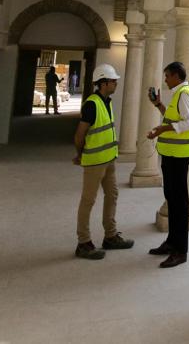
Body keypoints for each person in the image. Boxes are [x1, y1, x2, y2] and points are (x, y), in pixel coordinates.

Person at [72, 64, 134, 259]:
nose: (116, 84)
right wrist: (80, 154)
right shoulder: (92, 104)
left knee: (112, 194)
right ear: (103, 83)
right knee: (88, 200)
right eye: (113, 81)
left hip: (109, 159)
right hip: (95, 160)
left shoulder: (106, 102)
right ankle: (83, 242)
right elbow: (79, 135)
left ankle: (110, 235)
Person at [145, 61, 189, 268]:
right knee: (172, 198)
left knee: (179, 203)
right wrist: (158, 105)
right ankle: (171, 242)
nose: (165, 80)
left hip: (179, 155)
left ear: (176, 75)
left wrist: (161, 130)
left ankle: (180, 251)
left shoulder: (184, 93)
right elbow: (175, 117)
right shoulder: (179, 94)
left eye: (167, 76)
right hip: (172, 154)